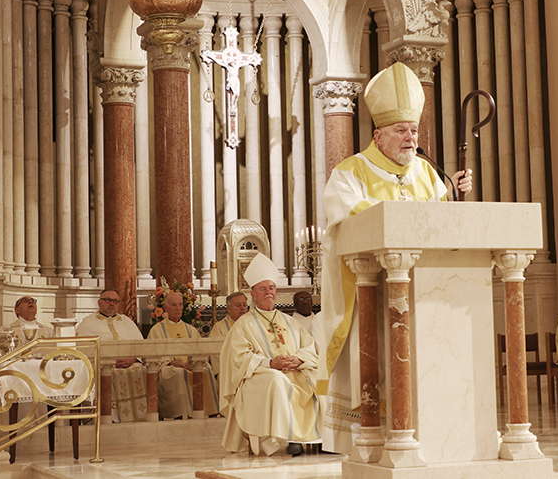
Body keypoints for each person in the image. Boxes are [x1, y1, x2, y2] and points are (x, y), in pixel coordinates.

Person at [317, 62, 472, 454]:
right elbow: (348, 214)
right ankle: (370, 440)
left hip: (426, 294)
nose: (410, 137)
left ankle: (427, 432)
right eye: (401, 130)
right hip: (371, 293)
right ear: (378, 135)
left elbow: (443, 221)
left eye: (414, 130)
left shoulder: (426, 171)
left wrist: (454, 192)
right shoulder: (349, 172)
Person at [219, 253, 321, 456]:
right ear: (253, 294)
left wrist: (299, 359)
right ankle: (288, 439)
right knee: (277, 380)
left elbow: (309, 348)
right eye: (262, 289)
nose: (268, 292)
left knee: (321, 378)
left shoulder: (290, 321)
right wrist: (270, 363)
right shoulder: (243, 324)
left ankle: (321, 439)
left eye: (271, 288)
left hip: (296, 370)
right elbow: (238, 358)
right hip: (261, 374)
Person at [76, 289, 147, 423]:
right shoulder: (88, 323)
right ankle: (108, 417)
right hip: (101, 365)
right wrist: (108, 362)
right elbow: (82, 351)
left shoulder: (126, 322)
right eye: (107, 300)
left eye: (115, 301)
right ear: (99, 303)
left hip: (130, 364)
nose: (111, 304)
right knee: (107, 373)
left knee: (141, 370)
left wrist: (132, 359)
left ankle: (137, 416)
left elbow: (141, 347)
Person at [147, 291, 219, 418]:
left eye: (180, 304)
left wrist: (194, 362)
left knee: (206, 370)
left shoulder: (190, 329)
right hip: (170, 368)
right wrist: (173, 362)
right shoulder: (157, 330)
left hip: (192, 365)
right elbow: (152, 354)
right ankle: (182, 414)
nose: (178, 308)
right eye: (174, 305)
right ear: (165, 307)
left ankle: (210, 412)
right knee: (180, 373)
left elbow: (201, 351)